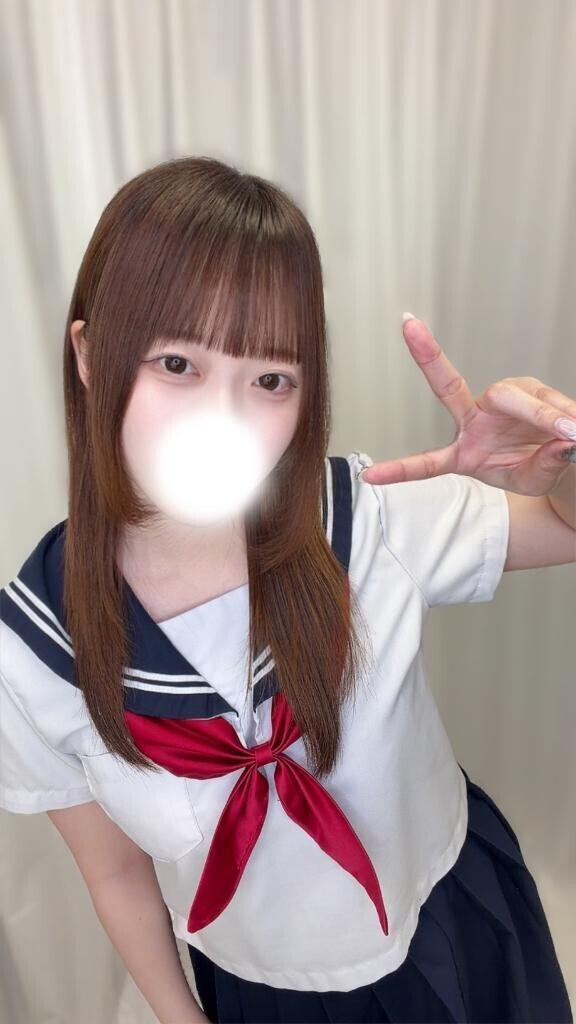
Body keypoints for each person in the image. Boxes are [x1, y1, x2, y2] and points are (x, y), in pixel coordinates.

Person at [0, 155, 573, 1024]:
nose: (221, 420)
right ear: (88, 353)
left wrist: (562, 455)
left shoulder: (362, 517)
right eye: (177, 363)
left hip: (453, 924)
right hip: (261, 994)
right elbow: (114, 872)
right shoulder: (33, 654)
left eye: (271, 380)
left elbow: (566, 527)